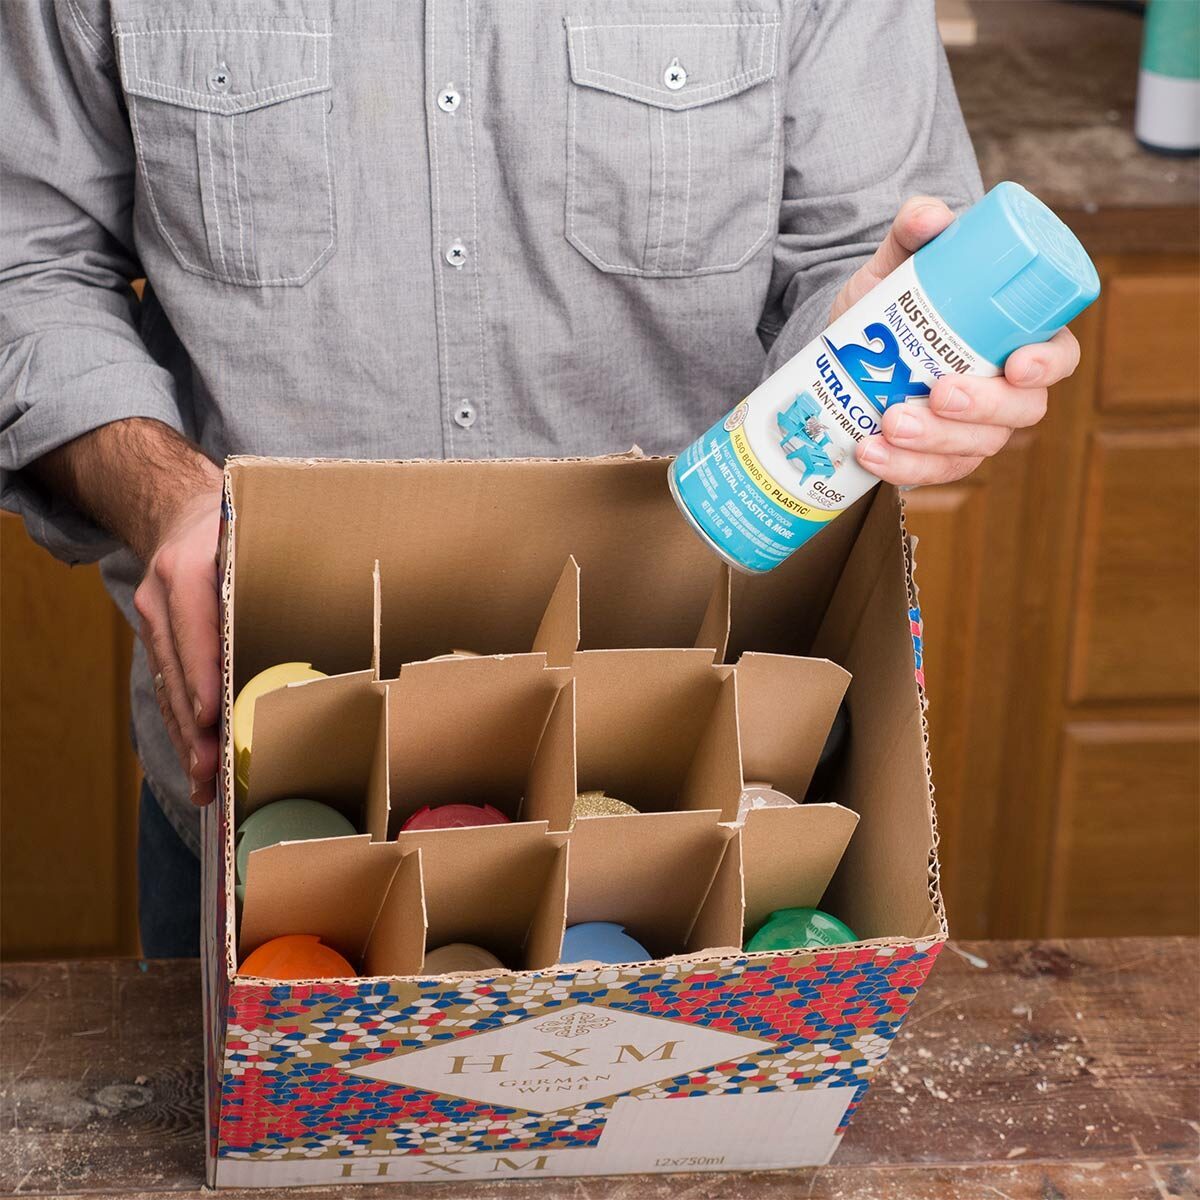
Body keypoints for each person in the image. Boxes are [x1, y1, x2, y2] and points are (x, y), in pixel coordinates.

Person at [0, 1, 1080, 957]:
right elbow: (26, 262)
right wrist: (169, 498)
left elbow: (860, 252)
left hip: (696, 789)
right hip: (266, 785)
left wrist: (889, 367)